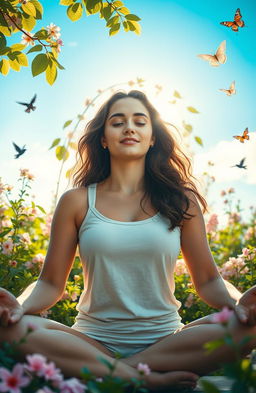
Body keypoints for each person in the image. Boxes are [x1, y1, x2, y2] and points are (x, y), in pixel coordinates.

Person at [0, 90, 256, 391]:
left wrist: (240, 303)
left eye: (140, 121)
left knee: (251, 326)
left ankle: (117, 373)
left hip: (169, 343)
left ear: (152, 138)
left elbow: (209, 279)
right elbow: (50, 284)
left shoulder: (182, 201)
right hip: (89, 342)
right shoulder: (77, 201)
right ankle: (139, 378)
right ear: (104, 139)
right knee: (7, 329)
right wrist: (19, 307)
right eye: (118, 122)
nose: (129, 128)